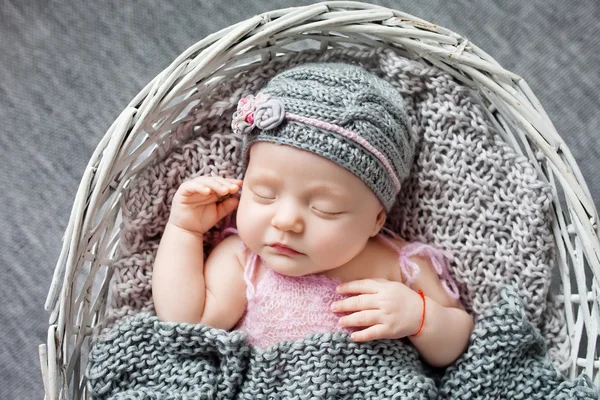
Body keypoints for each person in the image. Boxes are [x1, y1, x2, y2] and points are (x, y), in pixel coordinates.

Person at [152, 62, 474, 368]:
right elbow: (187, 322)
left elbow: (453, 346)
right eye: (265, 194)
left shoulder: (398, 265)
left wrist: (419, 316)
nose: (286, 220)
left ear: (376, 220)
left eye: (325, 208)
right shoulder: (244, 260)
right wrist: (185, 232)